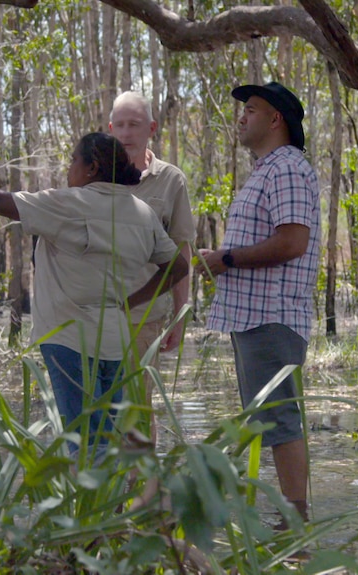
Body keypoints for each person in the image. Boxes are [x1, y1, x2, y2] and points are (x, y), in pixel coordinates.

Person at [0, 132, 188, 460]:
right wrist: (130, 301)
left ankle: (88, 508)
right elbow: (178, 267)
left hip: (69, 341)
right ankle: (113, 506)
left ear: (92, 168)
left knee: (85, 445)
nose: (68, 169)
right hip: (117, 341)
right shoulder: (142, 213)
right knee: (110, 444)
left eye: (73, 160)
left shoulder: (69, 203)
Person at [195, 81, 320, 525]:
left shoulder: (286, 168)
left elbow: (292, 241)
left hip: (272, 315)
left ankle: (295, 525)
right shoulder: (267, 169)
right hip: (254, 318)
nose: (241, 117)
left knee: (280, 421)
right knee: (271, 422)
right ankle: (291, 521)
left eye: (251, 109)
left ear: (275, 119)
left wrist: (225, 259)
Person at [108, 91, 196, 438]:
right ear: (111, 129)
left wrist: (180, 311)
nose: (127, 133)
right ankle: (102, 488)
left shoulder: (171, 180)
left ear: (152, 129)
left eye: (135, 125)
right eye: (121, 126)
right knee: (97, 408)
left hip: (144, 315)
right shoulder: (96, 173)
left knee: (138, 409)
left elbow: (182, 249)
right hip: (93, 313)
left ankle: (141, 489)